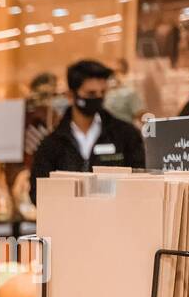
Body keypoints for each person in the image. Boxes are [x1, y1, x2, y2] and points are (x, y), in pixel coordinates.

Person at [29, 59, 145, 205]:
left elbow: (141, 184)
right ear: (71, 96)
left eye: (102, 93)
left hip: (114, 221)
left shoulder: (125, 135)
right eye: (90, 94)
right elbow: (38, 194)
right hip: (69, 222)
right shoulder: (52, 144)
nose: (97, 98)